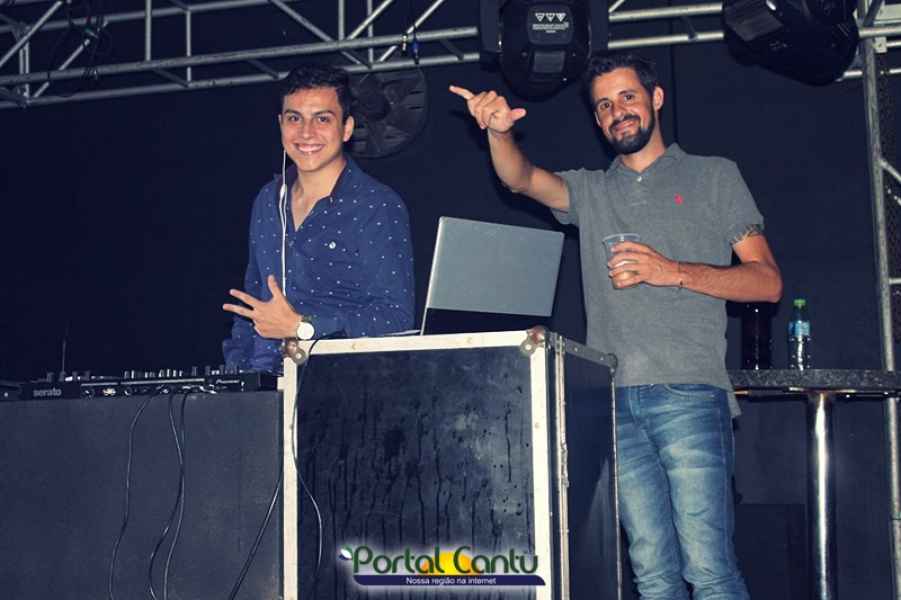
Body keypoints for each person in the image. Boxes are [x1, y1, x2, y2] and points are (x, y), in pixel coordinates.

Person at [451, 52, 782, 599]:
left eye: (628, 97)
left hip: (690, 393)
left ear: (656, 98)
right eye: (604, 105)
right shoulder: (591, 191)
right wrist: (498, 132)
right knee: (651, 574)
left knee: (709, 570)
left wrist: (672, 271)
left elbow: (767, 282)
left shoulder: (714, 176)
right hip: (613, 403)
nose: (617, 111)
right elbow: (520, 178)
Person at [223, 64, 415, 372]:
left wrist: (303, 326)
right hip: (263, 382)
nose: (306, 132)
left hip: (339, 384)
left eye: (322, 119)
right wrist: (238, 372)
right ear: (280, 124)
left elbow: (396, 317)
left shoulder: (375, 205)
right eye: (294, 118)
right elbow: (252, 303)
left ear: (347, 128)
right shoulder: (267, 200)